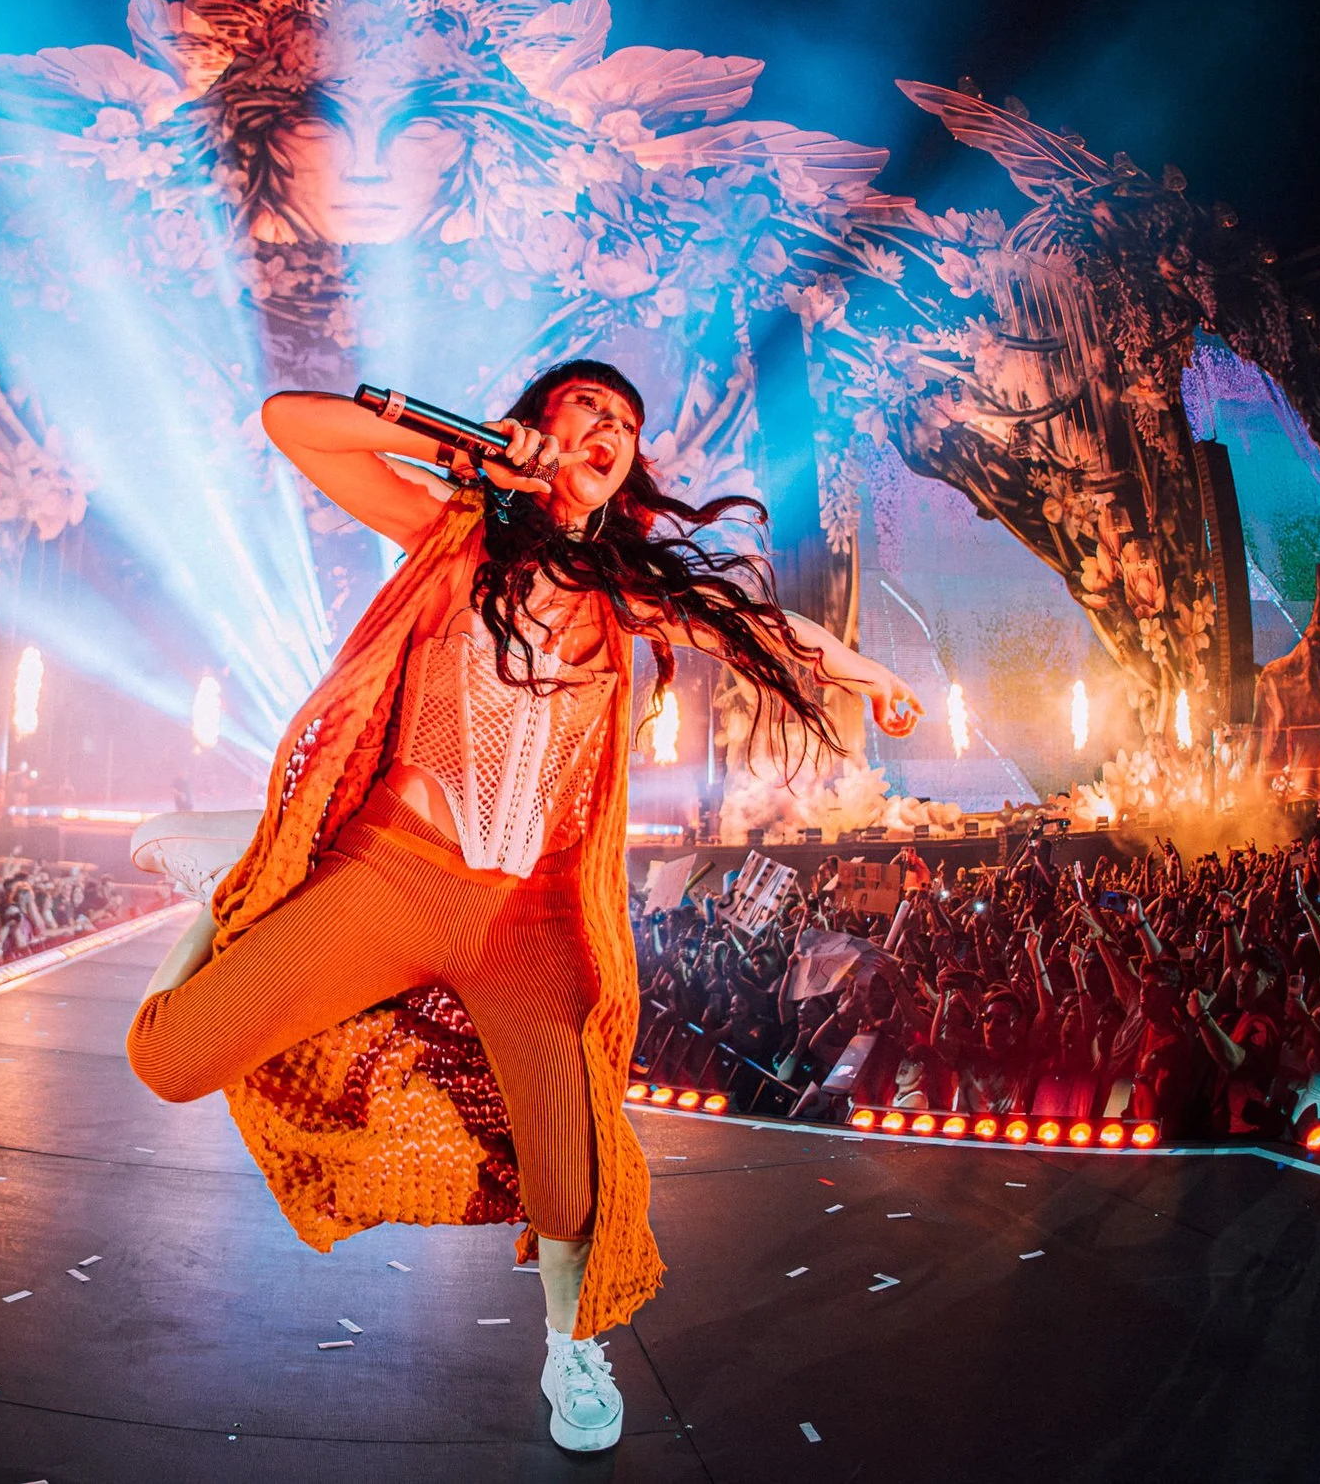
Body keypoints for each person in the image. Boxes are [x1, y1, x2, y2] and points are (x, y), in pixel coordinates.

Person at [124, 360, 919, 1453]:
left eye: (627, 424)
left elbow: (750, 625)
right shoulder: (452, 534)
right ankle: (239, 884)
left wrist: (868, 673)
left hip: (526, 927)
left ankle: (568, 1348)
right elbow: (287, 423)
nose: (610, 428)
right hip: (395, 874)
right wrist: (467, 453)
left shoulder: (623, 589)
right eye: (589, 406)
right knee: (167, 1062)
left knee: (567, 1185)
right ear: (540, 421)